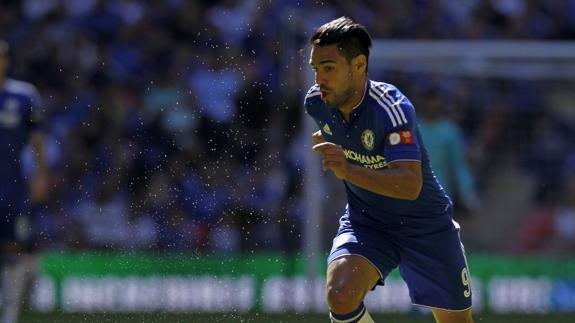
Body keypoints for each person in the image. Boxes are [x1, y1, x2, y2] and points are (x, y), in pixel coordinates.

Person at [304, 17, 473, 323]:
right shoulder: (317, 103)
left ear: (359, 65)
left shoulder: (392, 108)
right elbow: (341, 138)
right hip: (367, 222)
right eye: (316, 68)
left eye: (328, 67)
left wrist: (348, 168)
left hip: (425, 225)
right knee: (340, 295)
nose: (319, 79)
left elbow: (410, 185)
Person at [0, 40, 48, 323]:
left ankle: (10, 315)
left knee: (13, 249)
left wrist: (42, 174)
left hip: (11, 186)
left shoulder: (24, 95)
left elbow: (38, 139)